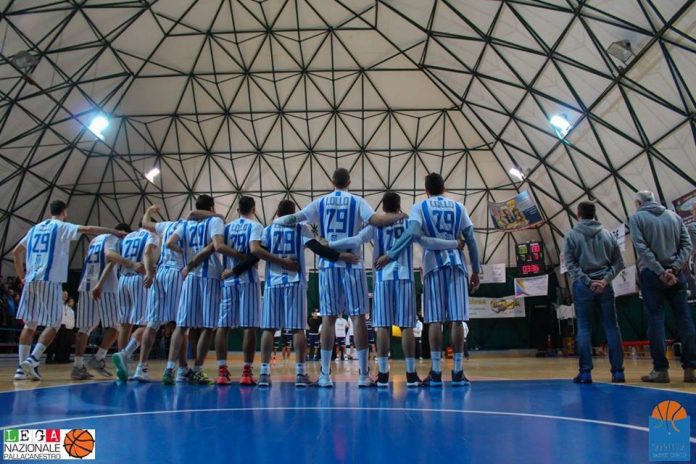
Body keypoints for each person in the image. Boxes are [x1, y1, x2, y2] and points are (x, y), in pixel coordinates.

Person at [274, 167, 404, 388]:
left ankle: (325, 375)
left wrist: (277, 223)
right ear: (349, 181)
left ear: (332, 181)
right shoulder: (357, 201)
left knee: (328, 319)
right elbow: (374, 220)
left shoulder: (321, 202)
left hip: (328, 265)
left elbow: (296, 218)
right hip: (352, 264)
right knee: (358, 318)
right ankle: (363, 375)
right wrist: (399, 215)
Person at [330, 191, 459, 387]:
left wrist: (329, 244)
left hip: (382, 278)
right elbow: (428, 242)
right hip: (405, 277)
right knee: (407, 326)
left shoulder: (376, 225)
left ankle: (382, 375)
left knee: (382, 326)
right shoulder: (409, 223)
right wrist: (455, 244)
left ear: (383, 207)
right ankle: (410, 374)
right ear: (400, 206)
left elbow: (356, 241)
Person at [380, 173, 480, 387]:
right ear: (444, 188)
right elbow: (471, 239)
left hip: (433, 266)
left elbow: (413, 233)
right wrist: (476, 271)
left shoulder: (420, 207)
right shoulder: (458, 207)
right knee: (457, 319)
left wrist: (391, 254)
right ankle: (458, 371)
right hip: (457, 266)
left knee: (434, 320)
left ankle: (435, 372)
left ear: (426, 190)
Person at [12, 199, 125, 381]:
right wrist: (114, 231)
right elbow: (87, 229)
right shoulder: (60, 226)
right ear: (64, 212)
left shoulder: (34, 229)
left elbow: (15, 253)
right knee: (55, 323)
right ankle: (32, 360)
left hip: (32, 279)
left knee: (30, 324)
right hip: (50, 280)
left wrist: (21, 277)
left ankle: (20, 368)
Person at [255, 199, 357, 387]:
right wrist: (341, 256)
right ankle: (300, 374)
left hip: (272, 282)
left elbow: (257, 253)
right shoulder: (301, 229)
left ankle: (263, 372)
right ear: (295, 214)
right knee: (297, 329)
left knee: (268, 328)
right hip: (294, 282)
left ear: (277, 213)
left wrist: (278, 260)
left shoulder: (268, 230)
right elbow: (318, 249)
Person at [163, 194, 243, 385]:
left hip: (190, 276)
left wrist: (185, 255)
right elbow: (218, 246)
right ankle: (197, 369)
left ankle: (169, 369)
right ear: (212, 207)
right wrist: (241, 256)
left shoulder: (185, 224)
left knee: (182, 325)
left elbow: (169, 243)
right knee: (207, 326)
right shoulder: (214, 221)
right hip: (210, 275)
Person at [630, 191, 694, 383]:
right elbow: (687, 245)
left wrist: (660, 271)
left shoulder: (637, 218)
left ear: (638, 202)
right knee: (684, 319)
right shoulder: (673, 216)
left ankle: (660, 370)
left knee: (656, 322)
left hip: (652, 274)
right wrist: (673, 269)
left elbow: (641, 247)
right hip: (676, 275)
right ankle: (691, 368)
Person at [564, 201, 625, 384]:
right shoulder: (608, 235)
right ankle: (618, 372)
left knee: (584, 329)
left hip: (584, 287)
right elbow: (619, 263)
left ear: (578, 214)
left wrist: (588, 281)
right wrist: (605, 280)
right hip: (605, 286)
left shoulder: (571, 235)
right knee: (612, 328)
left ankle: (585, 373)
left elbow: (570, 264)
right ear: (594, 214)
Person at [134, 206, 193, 383]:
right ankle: (179, 370)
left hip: (160, 273)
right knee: (180, 324)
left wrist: (149, 211)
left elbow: (144, 223)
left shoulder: (165, 225)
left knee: (152, 323)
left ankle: (141, 367)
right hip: (177, 274)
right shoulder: (189, 227)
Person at [72, 224, 131, 380]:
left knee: (84, 327)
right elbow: (110, 258)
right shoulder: (116, 239)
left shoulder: (96, 239)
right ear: (124, 233)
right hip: (105, 286)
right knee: (118, 325)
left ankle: (77, 366)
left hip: (85, 283)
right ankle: (98, 358)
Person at [110, 223, 153, 381]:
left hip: (123, 280)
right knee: (147, 324)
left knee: (125, 324)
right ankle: (126, 355)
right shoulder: (150, 235)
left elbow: (110, 255)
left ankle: (122, 366)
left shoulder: (127, 237)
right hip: (139, 279)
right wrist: (149, 271)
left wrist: (127, 263)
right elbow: (148, 254)